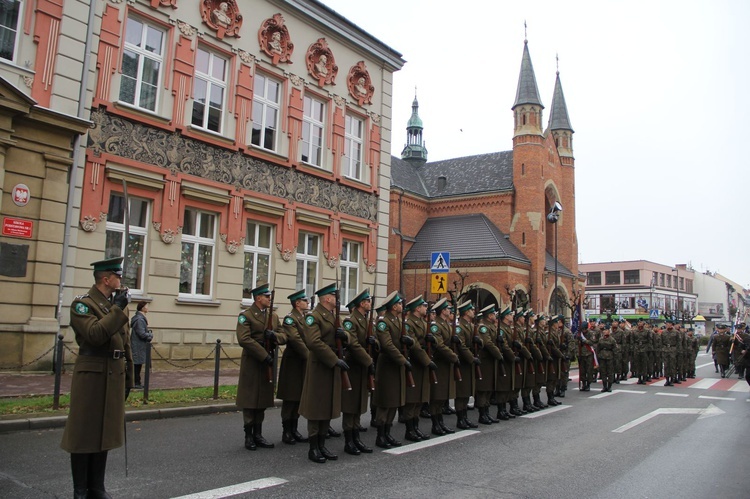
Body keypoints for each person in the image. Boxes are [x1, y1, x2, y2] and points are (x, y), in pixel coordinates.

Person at [60, 256, 133, 499]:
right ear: (106, 278)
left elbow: (125, 343)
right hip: (92, 374)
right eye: (117, 275)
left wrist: (130, 376)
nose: (120, 279)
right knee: (84, 432)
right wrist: (117, 309)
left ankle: (97, 487)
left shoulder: (116, 305)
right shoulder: (82, 305)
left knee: (105, 431)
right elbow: (94, 335)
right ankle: (80, 490)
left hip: (113, 373)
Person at [298, 283, 349, 463]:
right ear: (327, 298)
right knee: (316, 406)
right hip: (320, 366)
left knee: (327, 404)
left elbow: (343, 334)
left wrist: (345, 337)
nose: (337, 299)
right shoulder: (314, 317)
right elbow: (313, 342)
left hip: (331, 366)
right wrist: (334, 359)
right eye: (335, 297)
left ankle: (322, 444)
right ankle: (314, 447)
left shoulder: (333, 316)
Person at [236, 283, 285, 451]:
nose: (270, 299)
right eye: (267, 297)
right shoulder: (246, 316)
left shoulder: (273, 317)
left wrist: (274, 336)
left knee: (262, 398)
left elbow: (285, 335)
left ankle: (258, 433)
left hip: (267, 362)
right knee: (250, 399)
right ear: (258, 298)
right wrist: (264, 355)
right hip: (253, 361)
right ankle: (249, 435)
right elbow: (244, 339)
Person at [341, 288, 376, 455]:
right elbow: (353, 344)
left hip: (362, 366)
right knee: (350, 404)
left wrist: (374, 342)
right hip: (353, 366)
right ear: (362, 304)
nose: (369, 304)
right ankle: (349, 441)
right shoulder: (350, 321)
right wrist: (369, 361)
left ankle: (356, 437)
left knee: (359, 403)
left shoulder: (365, 319)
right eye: (368, 301)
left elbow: (370, 342)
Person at [373, 291, 407, 448]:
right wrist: (402, 360)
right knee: (385, 401)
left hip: (396, 365)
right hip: (387, 365)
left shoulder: (397, 320)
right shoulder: (383, 322)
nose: (401, 305)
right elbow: (387, 345)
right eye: (399, 303)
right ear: (394, 306)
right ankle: (380, 435)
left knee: (394, 401)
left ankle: (387, 433)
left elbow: (400, 341)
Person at [277, 289, 310, 445]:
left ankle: (294, 429)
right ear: (297, 303)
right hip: (293, 363)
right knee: (290, 397)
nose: (307, 303)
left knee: (298, 396)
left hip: (302, 362)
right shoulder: (290, 319)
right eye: (305, 300)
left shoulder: (304, 318)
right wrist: (310, 357)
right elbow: (296, 340)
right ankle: (286, 431)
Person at [428, 298, 459, 434]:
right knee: (437, 396)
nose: (449, 311)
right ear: (443, 311)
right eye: (447, 309)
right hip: (440, 363)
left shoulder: (446, 324)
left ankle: (440, 422)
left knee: (442, 397)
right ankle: (436, 424)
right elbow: (439, 345)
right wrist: (453, 356)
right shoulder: (436, 325)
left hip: (446, 364)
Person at [455, 300, 480, 428]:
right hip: (463, 363)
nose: (473, 312)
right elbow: (462, 346)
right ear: (466, 312)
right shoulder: (460, 327)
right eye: (471, 310)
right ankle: (460, 419)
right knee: (462, 392)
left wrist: (478, 342)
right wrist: (472, 358)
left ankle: (465, 417)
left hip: (468, 363)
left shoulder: (470, 325)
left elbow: (473, 344)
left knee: (466, 392)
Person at [130, 301, 152, 388]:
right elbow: (141, 333)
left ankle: (136, 382)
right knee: (137, 364)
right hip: (138, 345)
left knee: (138, 364)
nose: (148, 308)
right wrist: (150, 335)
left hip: (138, 345)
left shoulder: (139, 318)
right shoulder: (139, 319)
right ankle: (136, 382)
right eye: (146, 306)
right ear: (142, 308)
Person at [596, 325, 616, 392]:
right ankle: (604, 386)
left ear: (609, 331)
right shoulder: (601, 339)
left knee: (610, 372)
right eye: (604, 330)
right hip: (602, 357)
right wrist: (598, 356)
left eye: (606, 330)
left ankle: (609, 386)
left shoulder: (612, 339)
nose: (605, 332)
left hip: (609, 357)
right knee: (603, 372)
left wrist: (614, 358)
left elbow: (615, 349)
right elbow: (598, 348)